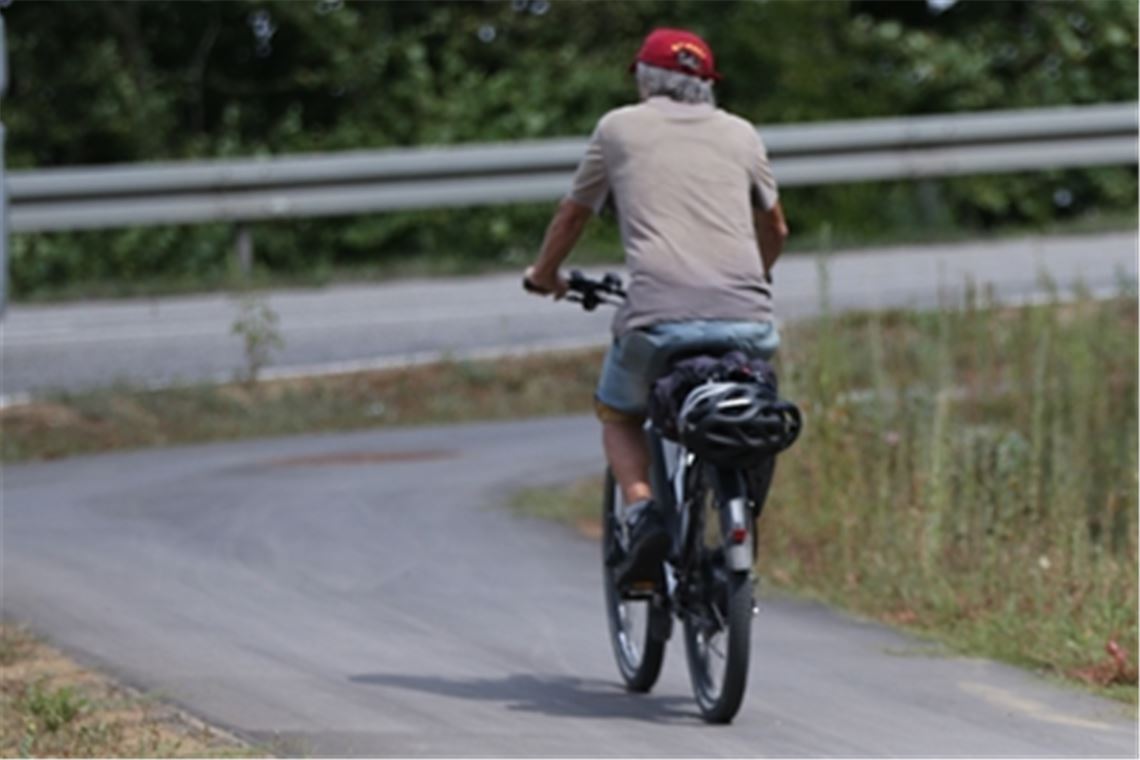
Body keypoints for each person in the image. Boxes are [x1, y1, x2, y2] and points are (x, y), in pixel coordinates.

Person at [523, 27, 788, 585]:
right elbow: (775, 227)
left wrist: (545, 275)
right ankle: (738, 515)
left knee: (620, 410)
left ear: (644, 79)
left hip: (659, 318)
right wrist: (753, 278)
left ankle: (642, 509)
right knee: (752, 403)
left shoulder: (618, 128)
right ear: (707, 85)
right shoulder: (741, 133)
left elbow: (572, 215)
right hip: (748, 316)